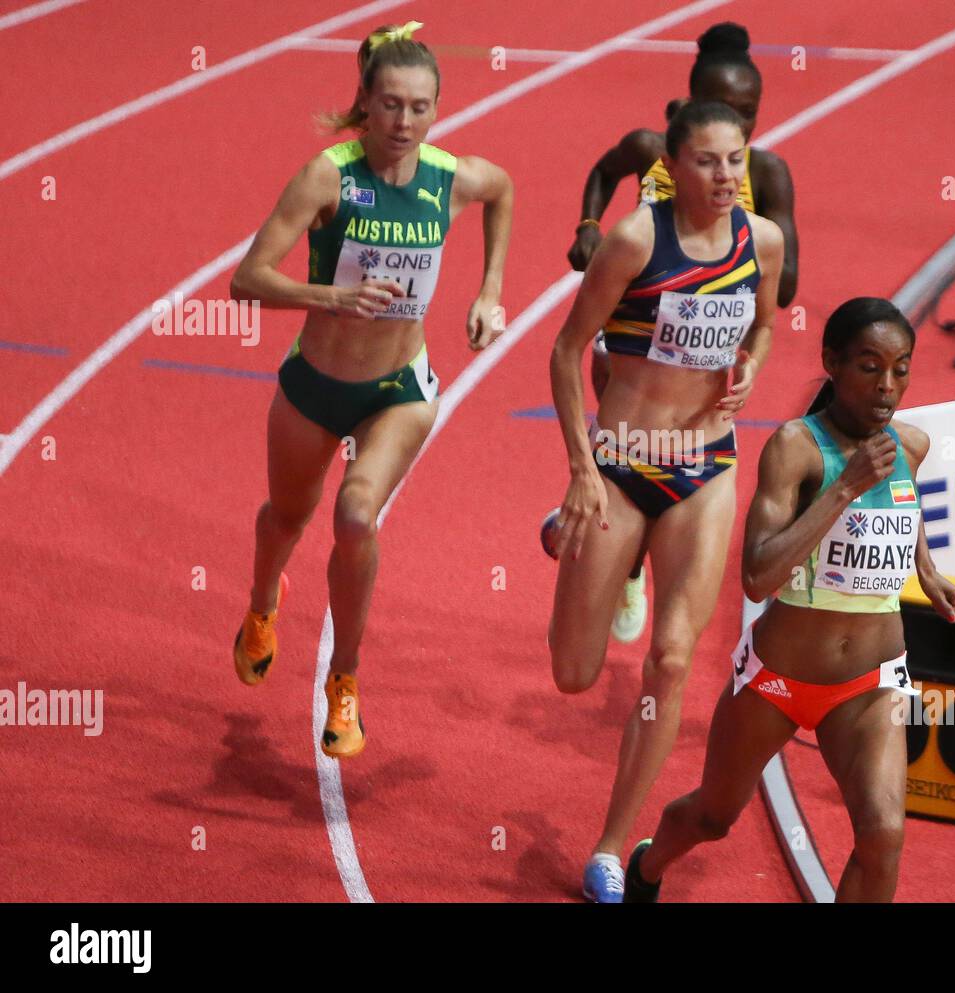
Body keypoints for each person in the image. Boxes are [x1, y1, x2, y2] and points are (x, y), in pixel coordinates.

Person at [228, 21, 513, 759]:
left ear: (437, 109)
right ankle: (264, 604)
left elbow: (503, 189)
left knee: (356, 516)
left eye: (420, 108)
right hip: (316, 381)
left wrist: (489, 292)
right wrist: (328, 297)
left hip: (399, 386)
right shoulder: (330, 175)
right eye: (390, 105)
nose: (404, 122)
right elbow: (246, 279)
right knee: (285, 520)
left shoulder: (451, 177)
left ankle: (343, 680)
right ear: (365, 101)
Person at [620, 298, 955, 903]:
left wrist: (927, 570)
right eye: (869, 366)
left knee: (883, 834)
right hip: (778, 682)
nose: (888, 386)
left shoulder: (911, 446)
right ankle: (648, 867)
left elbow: (900, 512)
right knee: (712, 817)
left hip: (871, 682)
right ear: (831, 362)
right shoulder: (796, 448)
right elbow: (757, 576)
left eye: (901, 368)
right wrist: (845, 487)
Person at [548, 100, 784, 901]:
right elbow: (567, 349)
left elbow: (764, 329)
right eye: (710, 162)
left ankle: (611, 847)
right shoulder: (636, 241)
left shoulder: (764, 241)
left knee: (674, 657)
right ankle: (583, 535)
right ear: (674, 166)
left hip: (706, 467)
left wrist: (751, 360)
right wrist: (581, 468)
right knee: (576, 673)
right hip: (617, 464)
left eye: (737, 160)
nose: (726, 177)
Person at [549, 21, 799, 645]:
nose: (741, 121)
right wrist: (588, 226)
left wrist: (749, 250)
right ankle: (596, 491)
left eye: (750, 113)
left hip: (704, 347)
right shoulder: (650, 148)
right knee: (614, 390)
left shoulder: (763, 175)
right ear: (688, 108)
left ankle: (624, 547)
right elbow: (602, 173)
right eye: (728, 108)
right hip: (632, 313)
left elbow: (783, 292)